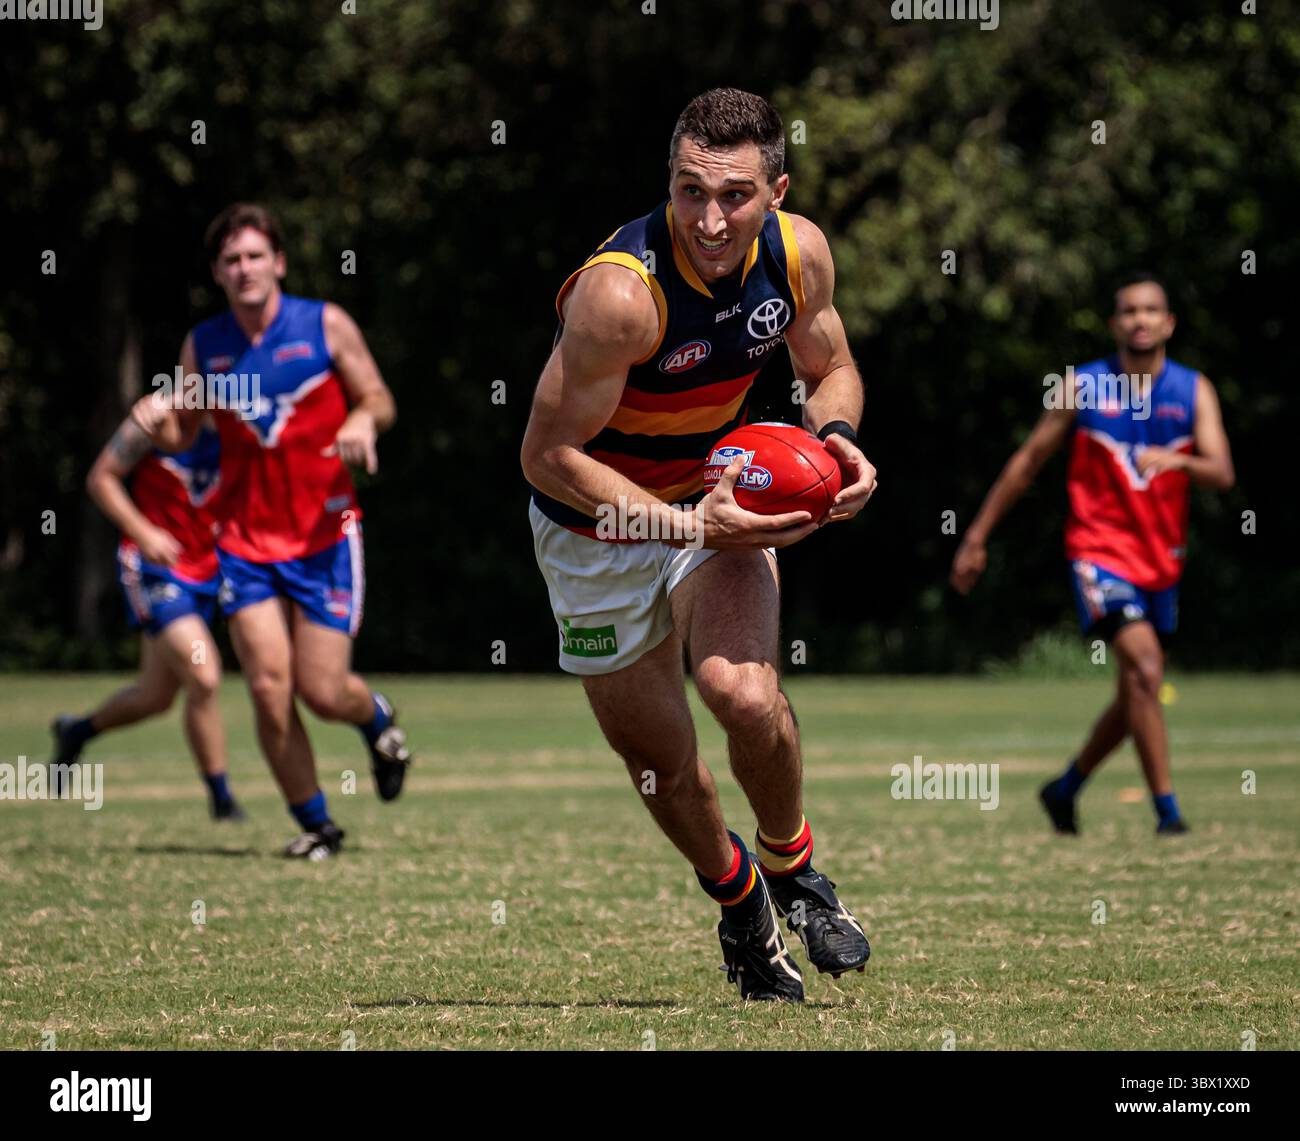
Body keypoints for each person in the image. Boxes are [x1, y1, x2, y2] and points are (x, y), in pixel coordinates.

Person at [521, 89, 878, 1001]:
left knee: (742, 693)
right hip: (590, 529)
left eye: (735, 196)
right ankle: (740, 905)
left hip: (716, 500)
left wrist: (835, 443)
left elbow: (828, 365)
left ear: (776, 192)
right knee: (663, 763)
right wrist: (684, 523)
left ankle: (794, 867)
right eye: (689, 193)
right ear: (668, 185)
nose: (710, 220)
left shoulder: (798, 256)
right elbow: (547, 456)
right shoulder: (619, 296)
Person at [136, 203, 411, 859]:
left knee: (321, 691)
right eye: (231, 260)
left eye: (256, 255)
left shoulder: (323, 324)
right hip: (244, 541)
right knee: (266, 684)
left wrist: (361, 423)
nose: (245, 268)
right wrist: (158, 419)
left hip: (324, 534)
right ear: (218, 274)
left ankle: (375, 718)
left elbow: (379, 397)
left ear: (278, 262)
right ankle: (318, 825)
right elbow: (187, 431)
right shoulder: (205, 345)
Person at [950, 274, 1235, 836]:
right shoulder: (1082, 386)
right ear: (1115, 324)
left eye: (1152, 310)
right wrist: (976, 535)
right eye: (1129, 310)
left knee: (1138, 687)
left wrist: (1179, 462)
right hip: (1099, 552)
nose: (1141, 319)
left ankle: (1067, 787)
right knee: (1147, 668)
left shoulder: (1192, 389)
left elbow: (1222, 472)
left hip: (1162, 560)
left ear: (1168, 322)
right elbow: (1028, 461)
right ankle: (1168, 815)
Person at [51, 411, 243, 820]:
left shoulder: (245, 417)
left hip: (208, 570)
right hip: (154, 568)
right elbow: (101, 477)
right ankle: (223, 800)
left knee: (154, 697)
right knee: (204, 674)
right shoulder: (159, 416)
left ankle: (77, 731)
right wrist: (144, 533)